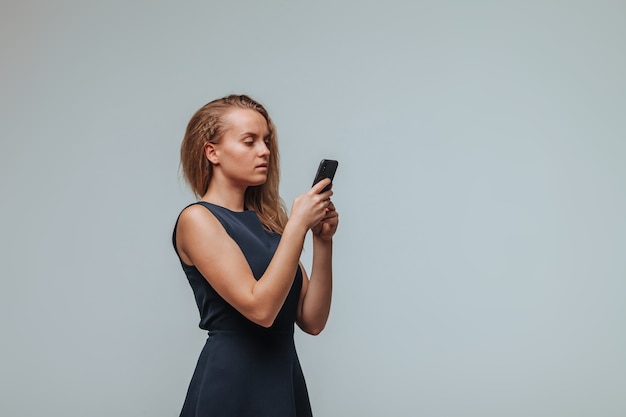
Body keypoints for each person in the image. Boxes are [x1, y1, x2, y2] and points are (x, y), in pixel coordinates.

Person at [172, 94, 339, 416]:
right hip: (232, 384)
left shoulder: (269, 226)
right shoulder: (198, 219)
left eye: (266, 141)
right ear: (212, 152)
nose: (264, 151)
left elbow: (313, 321)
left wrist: (323, 241)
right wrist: (297, 227)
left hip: (282, 380)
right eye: (249, 142)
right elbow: (260, 309)